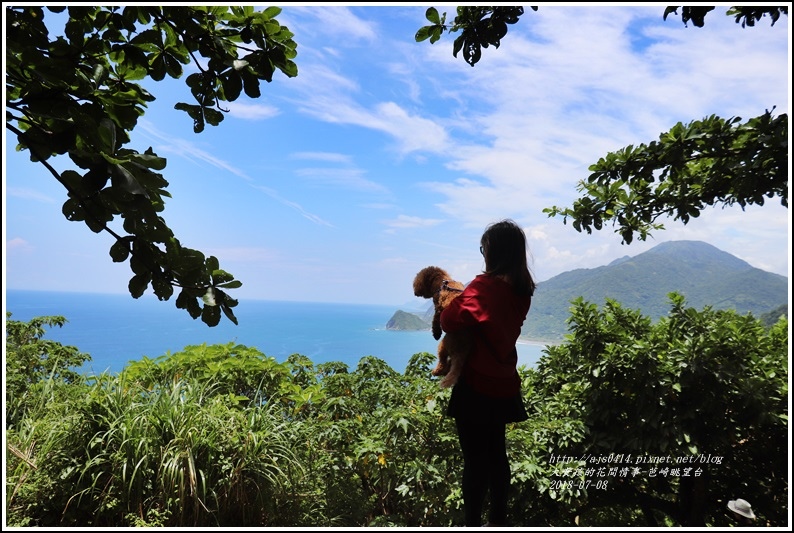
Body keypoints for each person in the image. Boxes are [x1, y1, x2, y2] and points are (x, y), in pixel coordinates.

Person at [440, 219, 536, 527]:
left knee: (474, 461)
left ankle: (472, 523)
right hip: (504, 382)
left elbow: (449, 320)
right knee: (497, 455)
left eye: (484, 248)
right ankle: (498, 520)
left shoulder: (485, 287)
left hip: (477, 384)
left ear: (493, 251)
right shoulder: (523, 289)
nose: (482, 254)